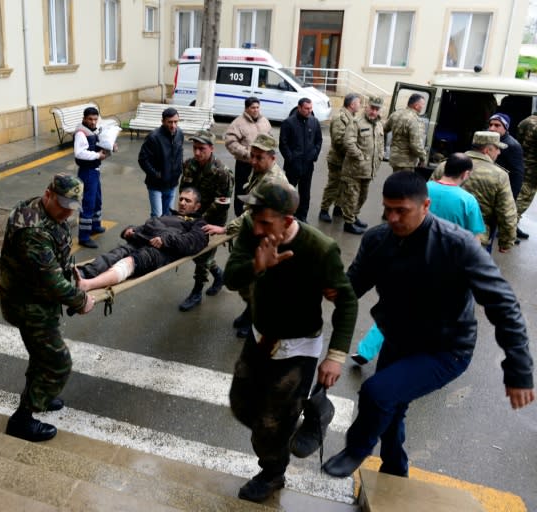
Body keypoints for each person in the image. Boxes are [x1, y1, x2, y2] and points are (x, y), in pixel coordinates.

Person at [322, 171, 534, 480]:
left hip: (446, 350)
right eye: (387, 209)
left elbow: (504, 305)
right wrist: (334, 288)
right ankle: (395, 470)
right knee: (391, 411)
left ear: (425, 206)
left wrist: (519, 371)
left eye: (402, 210)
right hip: (398, 339)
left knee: (377, 393)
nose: (392, 218)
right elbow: (355, 284)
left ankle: (356, 449)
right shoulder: (377, 239)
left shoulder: (457, 245)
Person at [223, 177, 358, 503]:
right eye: (254, 219)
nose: (257, 228)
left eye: (265, 221)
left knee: (270, 425)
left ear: (287, 220)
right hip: (258, 338)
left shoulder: (319, 248)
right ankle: (302, 413)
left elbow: (347, 301)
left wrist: (335, 356)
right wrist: (257, 265)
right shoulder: (251, 231)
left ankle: (272, 473)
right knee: (242, 407)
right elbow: (230, 277)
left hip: (297, 349)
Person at [351, 156, 486, 365]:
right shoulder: (467, 201)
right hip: (438, 268)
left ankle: (366, 351)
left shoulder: (423, 187)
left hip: (404, 254)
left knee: (394, 305)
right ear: (466, 174)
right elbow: (475, 240)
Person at [0, 174, 96, 442]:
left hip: (40, 300)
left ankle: (40, 394)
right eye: (63, 204)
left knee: (41, 355)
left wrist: (72, 272)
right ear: (48, 194)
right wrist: (81, 300)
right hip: (28, 304)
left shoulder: (52, 214)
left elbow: (59, 255)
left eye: (72, 207)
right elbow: (50, 280)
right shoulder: (32, 230)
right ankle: (22, 420)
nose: (67, 212)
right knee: (56, 362)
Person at [207, 133, 289, 338]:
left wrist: (225, 229)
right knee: (248, 280)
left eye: (258, 157)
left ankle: (255, 318)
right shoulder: (261, 170)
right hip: (256, 231)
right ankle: (249, 310)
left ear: (272, 158)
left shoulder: (273, 181)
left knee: (257, 281)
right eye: (252, 155)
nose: (252, 161)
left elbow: (252, 214)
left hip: (268, 236)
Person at [76, 188, 208, 291]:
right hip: (141, 240)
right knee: (118, 253)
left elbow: (192, 242)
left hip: (162, 252)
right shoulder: (169, 215)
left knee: (131, 261)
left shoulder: (198, 224)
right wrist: (130, 230)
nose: (182, 203)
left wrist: (166, 240)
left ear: (197, 206)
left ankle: (88, 285)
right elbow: (147, 226)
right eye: (181, 199)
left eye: (188, 201)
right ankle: (85, 273)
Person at [431, 131, 518, 253]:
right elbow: (507, 213)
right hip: (474, 239)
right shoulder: (500, 175)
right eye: (497, 148)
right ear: (487, 150)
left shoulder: (445, 165)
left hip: (437, 231)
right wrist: (506, 241)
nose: (499, 152)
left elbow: (428, 196)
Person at [177, 131, 234, 312]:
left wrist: (201, 220)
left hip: (213, 220)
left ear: (211, 148)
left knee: (201, 255)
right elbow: (184, 191)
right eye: (195, 148)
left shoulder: (222, 172)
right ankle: (219, 275)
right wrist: (184, 212)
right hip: (192, 216)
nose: (197, 153)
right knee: (199, 255)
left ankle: (196, 292)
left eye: (202, 149)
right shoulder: (188, 165)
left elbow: (222, 203)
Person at [340, 96, 385, 235]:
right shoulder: (356, 122)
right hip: (354, 169)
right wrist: (361, 157)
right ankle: (348, 223)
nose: (373, 111)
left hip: (368, 170)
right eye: (372, 108)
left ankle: (354, 216)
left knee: (362, 197)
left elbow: (381, 143)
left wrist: (380, 155)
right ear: (366, 106)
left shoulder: (378, 124)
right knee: (352, 197)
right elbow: (348, 143)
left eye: (376, 109)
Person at [224, 97, 273, 216]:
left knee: (259, 190)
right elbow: (230, 142)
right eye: (253, 108)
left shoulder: (264, 121)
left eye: (257, 107)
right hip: (245, 164)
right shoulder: (238, 123)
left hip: (261, 164)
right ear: (246, 109)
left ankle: (255, 215)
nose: (256, 110)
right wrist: (247, 153)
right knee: (242, 191)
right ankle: (239, 216)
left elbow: (270, 137)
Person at [74, 106, 113, 248]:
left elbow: (95, 144)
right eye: (90, 119)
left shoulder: (92, 130)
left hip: (94, 170)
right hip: (87, 172)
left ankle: (95, 225)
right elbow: (79, 153)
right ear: (84, 118)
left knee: (97, 200)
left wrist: (109, 146)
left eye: (95, 119)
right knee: (88, 204)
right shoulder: (81, 133)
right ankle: (84, 236)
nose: (93, 121)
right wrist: (98, 155)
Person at [279, 97, 323, 222]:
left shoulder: (314, 122)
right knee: (290, 194)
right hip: (293, 165)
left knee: (305, 194)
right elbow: (283, 143)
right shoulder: (288, 123)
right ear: (299, 108)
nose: (309, 111)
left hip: (308, 165)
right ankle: (287, 216)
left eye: (311, 108)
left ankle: (302, 216)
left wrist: (314, 154)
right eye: (306, 108)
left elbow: (318, 141)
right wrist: (290, 158)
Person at [320, 93, 361, 223]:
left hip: (345, 160)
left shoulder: (352, 117)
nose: (360, 106)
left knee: (343, 186)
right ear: (352, 104)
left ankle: (338, 208)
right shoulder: (340, 117)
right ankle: (324, 210)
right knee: (333, 185)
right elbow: (338, 140)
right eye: (359, 103)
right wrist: (353, 151)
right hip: (338, 159)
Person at [138, 107, 185, 218]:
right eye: (170, 122)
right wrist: (156, 174)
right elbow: (142, 159)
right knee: (157, 215)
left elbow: (179, 154)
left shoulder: (180, 134)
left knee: (168, 215)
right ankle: (152, 234)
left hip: (172, 183)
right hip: (156, 185)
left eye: (175, 122)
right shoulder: (153, 137)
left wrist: (179, 171)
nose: (173, 125)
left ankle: (164, 236)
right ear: (163, 121)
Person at [383, 93, 427, 172]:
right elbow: (415, 144)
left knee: (395, 180)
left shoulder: (395, 114)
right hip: (407, 161)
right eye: (422, 104)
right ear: (416, 106)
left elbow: (384, 130)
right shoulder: (414, 120)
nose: (423, 107)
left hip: (394, 158)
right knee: (403, 183)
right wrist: (423, 158)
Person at [488, 113, 524, 201]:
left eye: (497, 125)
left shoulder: (513, 146)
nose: (492, 128)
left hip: (501, 190)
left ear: (505, 127)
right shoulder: (485, 139)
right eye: (490, 125)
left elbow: (517, 175)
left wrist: (511, 198)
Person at [515, 114, 537, 240]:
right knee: (522, 201)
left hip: (522, 165)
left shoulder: (525, 120)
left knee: (519, 197)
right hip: (532, 171)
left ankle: (512, 226)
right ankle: (508, 230)